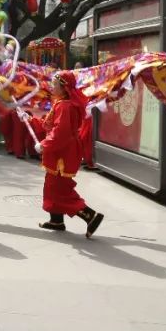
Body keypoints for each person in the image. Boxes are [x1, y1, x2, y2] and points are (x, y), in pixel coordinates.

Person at [31, 71, 105, 237]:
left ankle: (90, 216)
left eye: (55, 84)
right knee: (52, 186)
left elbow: (60, 133)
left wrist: (43, 145)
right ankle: (56, 220)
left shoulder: (65, 106)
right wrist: (30, 119)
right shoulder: (64, 103)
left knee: (60, 189)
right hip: (63, 151)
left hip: (62, 154)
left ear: (64, 88)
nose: (52, 87)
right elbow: (51, 126)